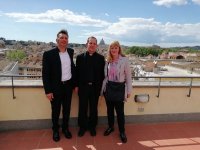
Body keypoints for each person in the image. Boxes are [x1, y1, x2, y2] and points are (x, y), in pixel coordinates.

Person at [42, 29, 76, 142]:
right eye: (61, 38)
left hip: (68, 86)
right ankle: (55, 130)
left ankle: (65, 129)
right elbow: (45, 74)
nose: (64, 40)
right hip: (55, 87)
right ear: (57, 40)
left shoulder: (70, 52)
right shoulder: (48, 54)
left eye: (66, 38)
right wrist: (48, 91)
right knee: (55, 110)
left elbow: (72, 69)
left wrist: (75, 84)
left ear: (68, 40)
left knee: (66, 109)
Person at [101, 41, 132, 143]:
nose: (114, 50)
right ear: (110, 49)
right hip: (109, 88)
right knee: (109, 111)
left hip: (119, 88)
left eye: (116, 48)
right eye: (112, 48)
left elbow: (128, 76)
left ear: (119, 49)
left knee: (120, 113)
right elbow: (106, 76)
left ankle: (122, 132)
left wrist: (129, 90)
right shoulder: (108, 60)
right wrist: (103, 89)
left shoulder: (125, 60)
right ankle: (111, 127)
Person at [75, 36, 105, 137]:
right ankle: (82, 127)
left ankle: (92, 127)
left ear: (96, 45)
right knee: (82, 108)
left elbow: (102, 75)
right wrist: (76, 86)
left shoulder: (101, 59)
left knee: (93, 108)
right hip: (83, 87)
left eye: (94, 43)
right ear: (86, 44)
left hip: (95, 88)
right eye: (90, 43)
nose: (92, 45)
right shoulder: (79, 58)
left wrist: (101, 88)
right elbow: (76, 74)